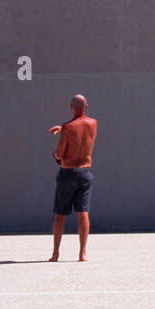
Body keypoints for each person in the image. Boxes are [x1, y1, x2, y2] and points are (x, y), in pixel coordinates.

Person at [47, 94, 97, 262]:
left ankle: (55, 254)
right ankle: (83, 254)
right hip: (85, 172)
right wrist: (63, 130)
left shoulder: (68, 127)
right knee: (83, 213)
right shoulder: (93, 124)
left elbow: (60, 153)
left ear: (71, 107)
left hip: (67, 173)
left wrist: (56, 150)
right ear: (86, 107)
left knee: (60, 214)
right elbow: (81, 132)